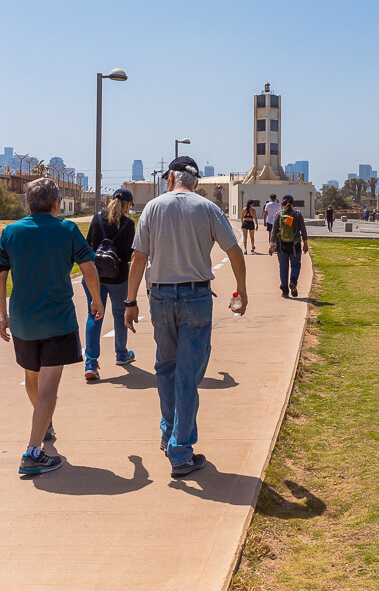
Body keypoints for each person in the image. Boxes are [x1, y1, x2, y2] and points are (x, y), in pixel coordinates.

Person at [124, 157, 247, 479]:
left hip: (161, 296)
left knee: (165, 367)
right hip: (196, 295)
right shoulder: (207, 209)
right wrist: (241, 291)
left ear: (171, 177)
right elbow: (234, 250)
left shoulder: (153, 207)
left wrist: (130, 301)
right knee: (188, 373)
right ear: (195, 181)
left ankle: (169, 434)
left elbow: (139, 257)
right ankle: (180, 450)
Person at [0, 177, 103, 475]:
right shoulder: (67, 229)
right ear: (56, 204)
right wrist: (97, 300)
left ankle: (44, 423)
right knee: (49, 386)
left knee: (33, 376)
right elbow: (89, 269)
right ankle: (32, 452)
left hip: (23, 321)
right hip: (57, 321)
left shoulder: (10, 232)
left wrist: (2, 315)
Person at [82, 188, 136, 383]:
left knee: (94, 315)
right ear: (127, 205)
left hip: (94, 276)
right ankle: (121, 353)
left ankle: (91, 363)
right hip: (118, 277)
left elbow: (88, 244)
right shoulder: (128, 224)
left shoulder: (97, 218)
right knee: (119, 314)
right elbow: (131, 253)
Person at [269, 194, 309, 298]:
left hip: (281, 245)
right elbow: (303, 230)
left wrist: (271, 245)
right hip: (294, 245)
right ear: (293, 203)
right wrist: (305, 244)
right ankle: (293, 281)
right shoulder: (297, 214)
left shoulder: (279, 214)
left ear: (282, 203)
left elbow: (274, 231)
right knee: (296, 265)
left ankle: (285, 290)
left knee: (283, 267)